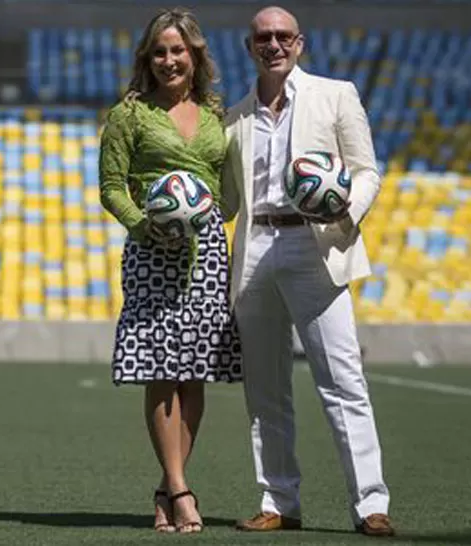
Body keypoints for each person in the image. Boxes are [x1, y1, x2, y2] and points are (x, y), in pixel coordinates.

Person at [219, 6, 395, 537]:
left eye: (282, 36)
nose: (273, 44)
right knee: (265, 388)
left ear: (300, 43)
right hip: (255, 246)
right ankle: (279, 501)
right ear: (250, 47)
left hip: (316, 245)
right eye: (263, 37)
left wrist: (345, 209)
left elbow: (366, 171)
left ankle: (370, 505)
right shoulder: (234, 118)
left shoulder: (335, 94)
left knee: (343, 381)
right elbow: (227, 201)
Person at [98, 7, 242, 535]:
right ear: (147, 58)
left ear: (195, 55)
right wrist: (143, 225)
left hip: (206, 256)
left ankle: (166, 487)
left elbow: (225, 186)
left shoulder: (215, 116)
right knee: (161, 371)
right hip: (151, 254)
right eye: (159, 51)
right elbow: (112, 187)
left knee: (194, 371)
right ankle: (182, 490)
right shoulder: (128, 116)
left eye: (178, 50)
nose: (168, 60)